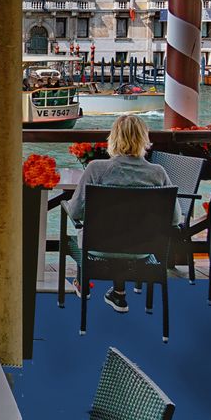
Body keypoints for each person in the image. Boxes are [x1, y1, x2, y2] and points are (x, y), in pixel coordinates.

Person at [66, 114, 181, 313]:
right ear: (144, 139)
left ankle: (83, 283)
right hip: (143, 250)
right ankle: (118, 293)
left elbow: (75, 212)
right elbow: (175, 219)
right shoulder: (158, 173)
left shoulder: (96, 169)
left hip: (98, 248)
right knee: (125, 233)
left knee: (73, 237)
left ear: (113, 138)